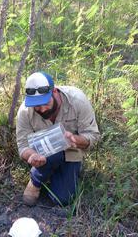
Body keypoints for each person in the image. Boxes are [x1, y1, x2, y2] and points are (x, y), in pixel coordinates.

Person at [16, 72, 100, 206]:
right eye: (36, 105)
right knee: (51, 150)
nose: (42, 109)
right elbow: (22, 145)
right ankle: (36, 180)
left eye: (45, 102)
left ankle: (55, 176)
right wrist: (31, 156)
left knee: (62, 199)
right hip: (43, 154)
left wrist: (75, 139)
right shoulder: (25, 111)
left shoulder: (77, 101)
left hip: (71, 152)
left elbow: (93, 136)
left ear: (54, 92)